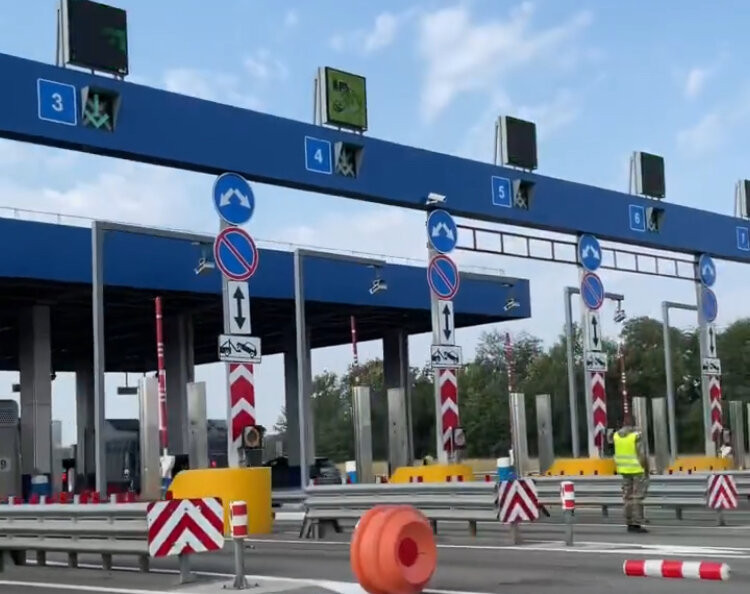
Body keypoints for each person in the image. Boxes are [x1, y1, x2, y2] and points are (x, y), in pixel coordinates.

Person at [613, 414, 649, 533]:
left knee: (627, 497)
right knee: (637, 497)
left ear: (623, 423)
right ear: (634, 423)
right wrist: (646, 469)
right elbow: (642, 455)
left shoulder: (616, 436)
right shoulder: (636, 436)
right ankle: (636, 522)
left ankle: (629, 521)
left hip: (624, 470)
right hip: (637, 470)